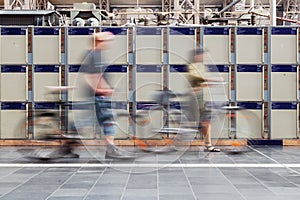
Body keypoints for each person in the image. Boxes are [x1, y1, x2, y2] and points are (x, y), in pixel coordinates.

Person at [77, 31, 134, 159]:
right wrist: (101, 90)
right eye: (104, 41)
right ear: (98, 42)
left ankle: (67, 143)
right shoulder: (92, 55)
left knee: (88, 121)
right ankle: (110, 149)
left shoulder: (96, 55)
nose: (107, 44)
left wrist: (107, 88)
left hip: (98, 95)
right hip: (97, 96)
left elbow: (98, 75)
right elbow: (89, 76)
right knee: (108, 120)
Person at [187, 48, 221, 152]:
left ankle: (208, 144)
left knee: (206, 121)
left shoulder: (201, 66)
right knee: (203, 121)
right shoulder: (192, 66)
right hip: (196, 97)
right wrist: (209, 81)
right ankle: (207, 144)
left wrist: (208, 82)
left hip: (203, 97)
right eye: (202, 55)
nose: (203, 57)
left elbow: (202, 81)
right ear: (196, 56)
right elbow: (196, 79)